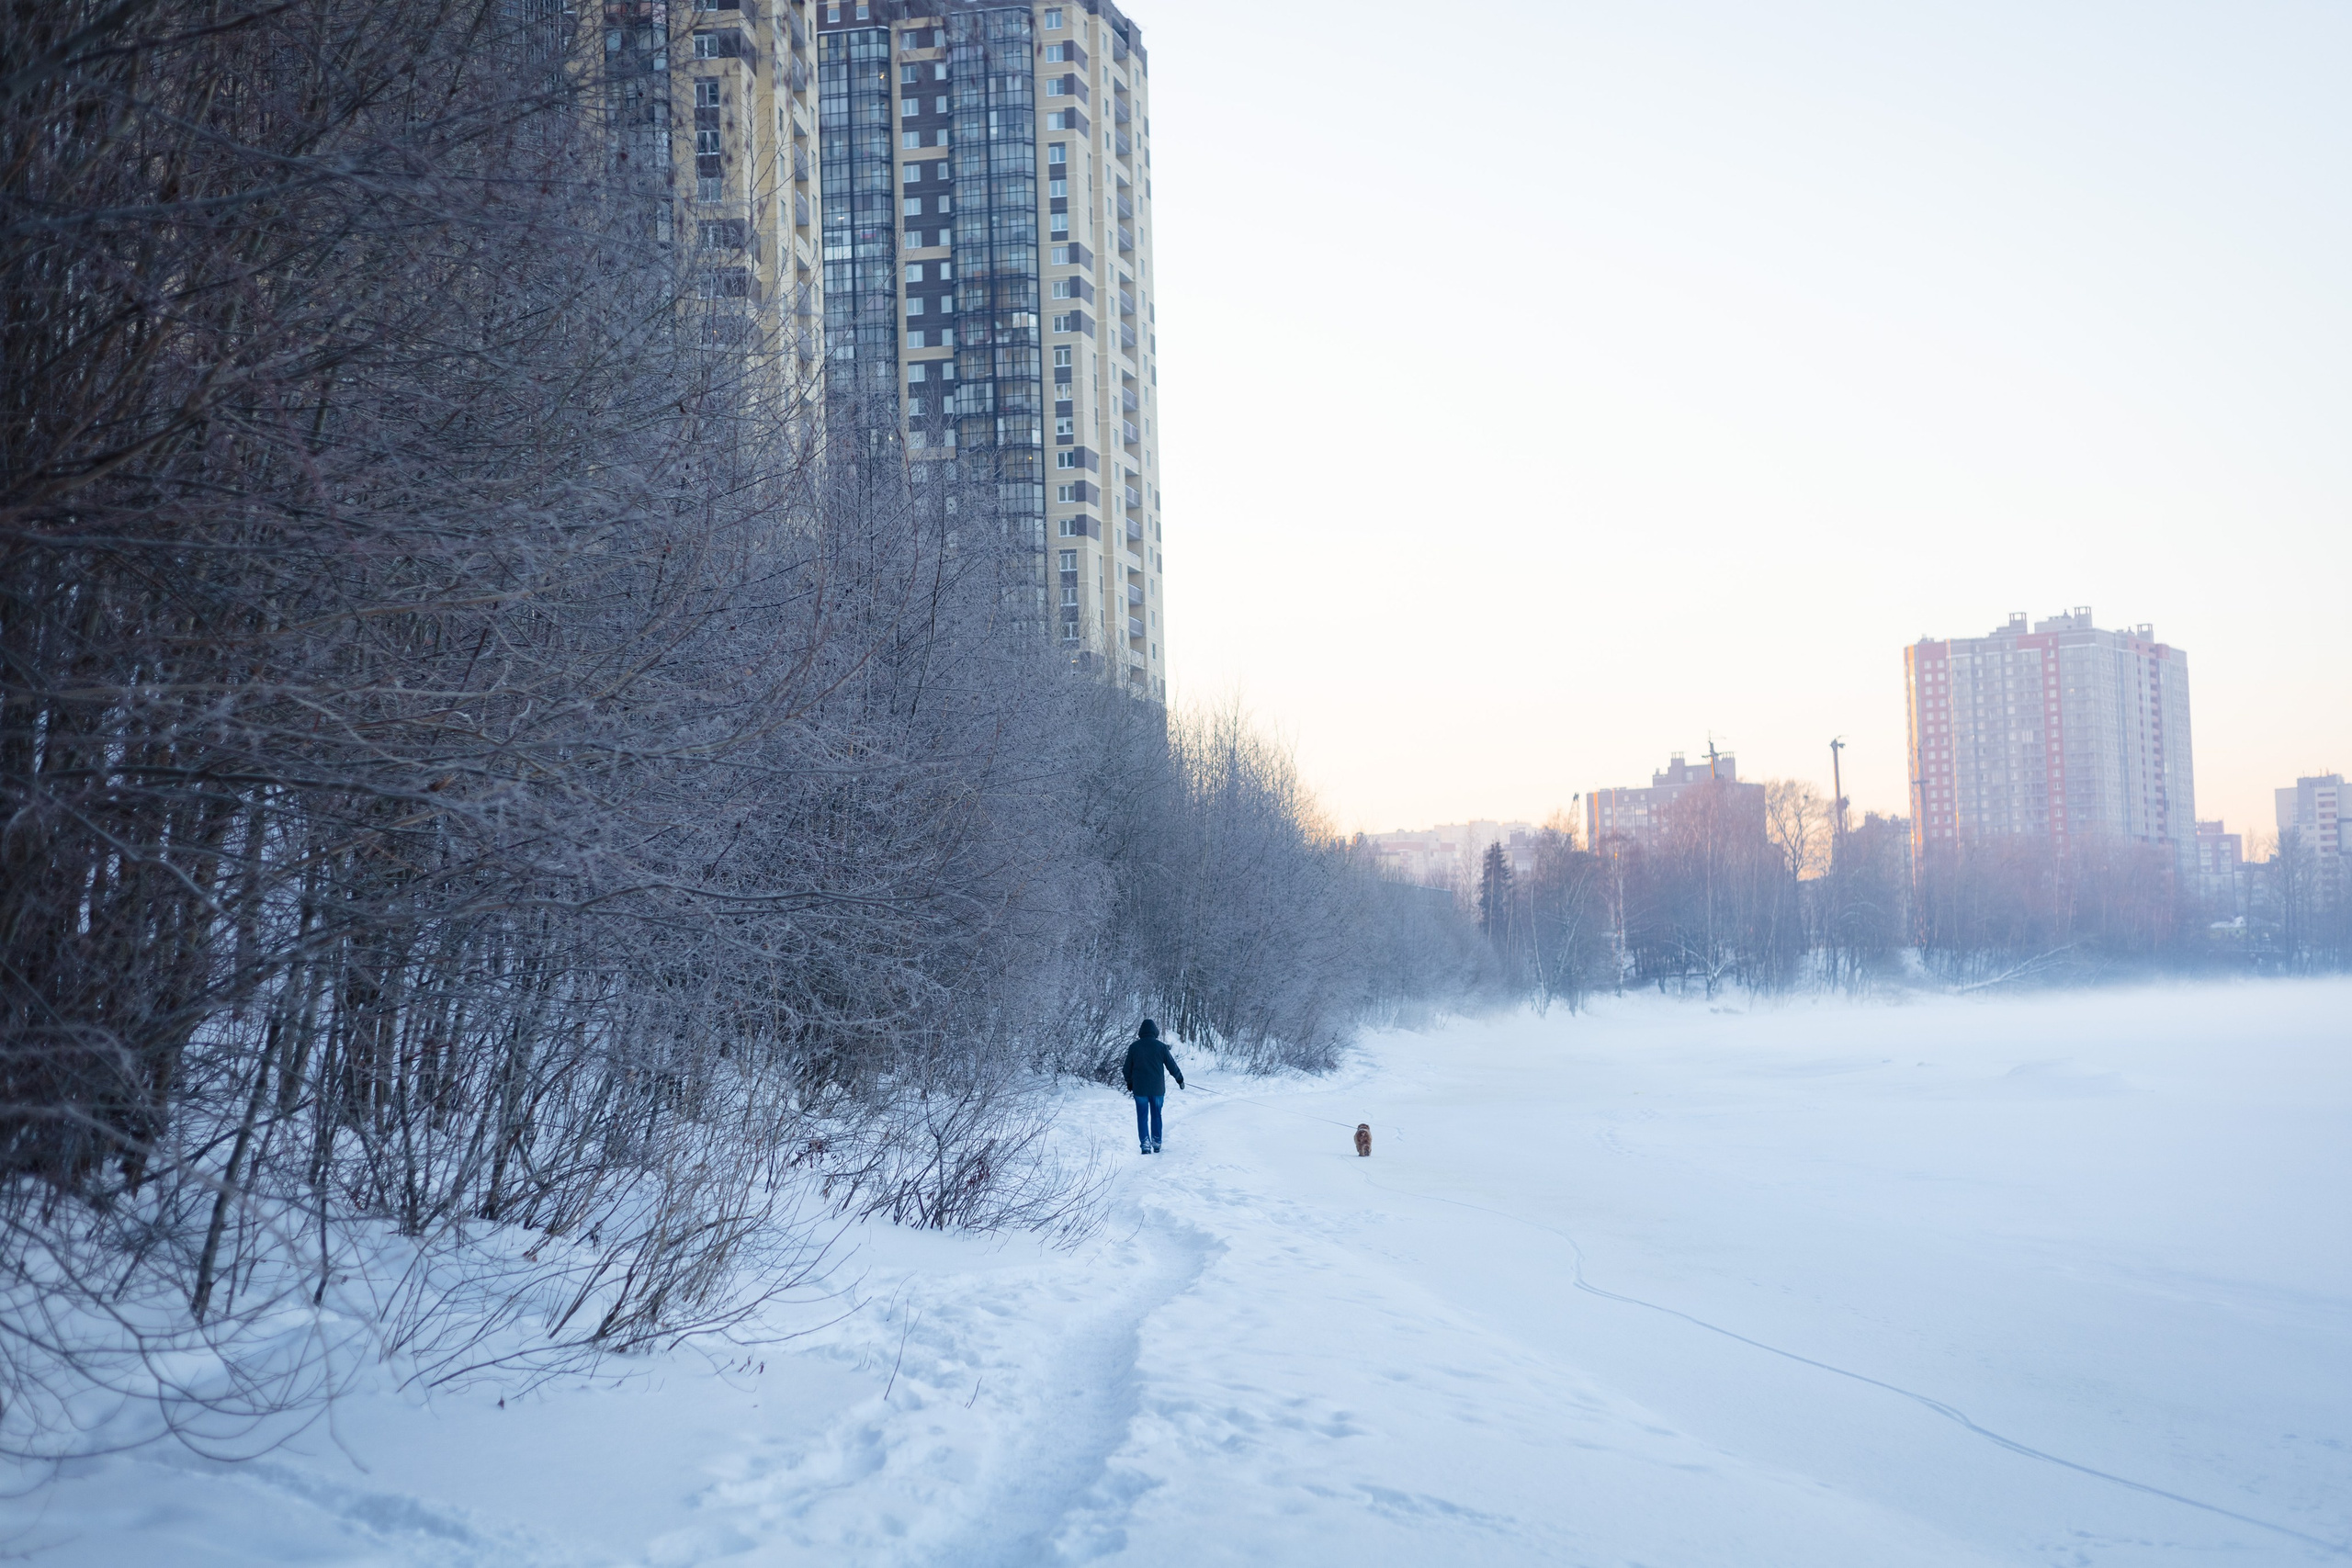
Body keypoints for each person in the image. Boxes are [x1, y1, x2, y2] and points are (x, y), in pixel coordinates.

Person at [1122, 1019, 1184, 1155]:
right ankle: (1157, 1142)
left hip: (1140, 1089)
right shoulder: (1161, 1047)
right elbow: (1171, 1065)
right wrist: (1179, 1079)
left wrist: (1129, 1082)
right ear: (1155, 1031)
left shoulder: (1134, 1047)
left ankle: (1145, 1144)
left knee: (1142, 1116)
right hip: (1157, 1089)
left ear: (1141, 1032)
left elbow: (1126, 1068)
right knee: (1157, 1115)